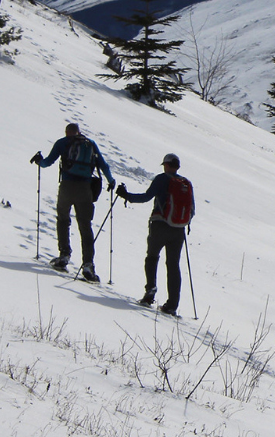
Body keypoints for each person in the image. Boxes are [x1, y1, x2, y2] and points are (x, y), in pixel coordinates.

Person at [31, 122, 116, 282]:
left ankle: (64, 255)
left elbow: (48, 162)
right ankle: (88, 265)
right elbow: (103, 165)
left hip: (67, 186)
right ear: (79, 132)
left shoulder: (63, 143)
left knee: (63, 219)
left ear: (66, 132)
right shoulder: (90, 144)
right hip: (85, 189)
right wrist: (111, 181)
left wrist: (39, 161)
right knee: (85, 226)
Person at [117, 153, 191, 315]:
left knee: (152, 257)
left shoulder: (162, 179)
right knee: (173, 266)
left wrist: (127, 196)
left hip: (159, 225)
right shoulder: (186, 183)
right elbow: (191, 211)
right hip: (178, 231)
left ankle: (150, 291)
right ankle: (172, 305)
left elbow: (146, 197)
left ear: (166, 165)